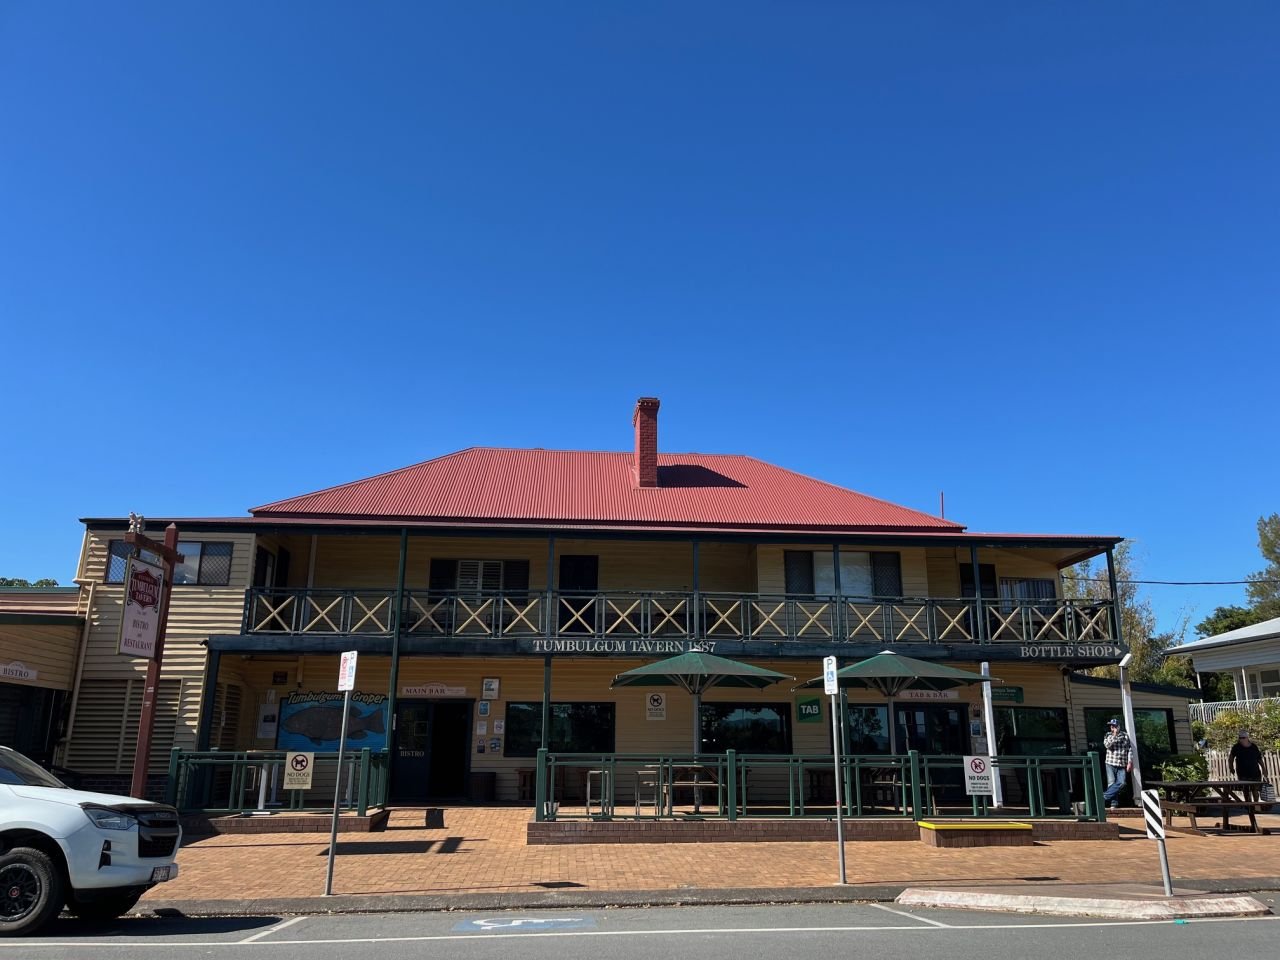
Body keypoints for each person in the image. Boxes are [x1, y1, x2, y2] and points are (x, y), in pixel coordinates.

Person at [1102, 717, 1132, 809]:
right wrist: (1114, 735)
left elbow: (1129, 749)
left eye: (1114, 726)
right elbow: (1107, 745)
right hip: (1110, 763)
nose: (1112, 728)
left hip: (1122, 763)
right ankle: (1113, 804)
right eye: (1111, 726)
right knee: (1111, 783)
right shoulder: (1108, 735)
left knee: (1122, 783)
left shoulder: (1125, 736)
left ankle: (1103, 797)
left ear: (1119, 726)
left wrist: (1130, 762)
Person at [1229, 729, 1264, 799]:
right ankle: (1249, 807)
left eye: (1243, 738)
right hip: (1242, 773)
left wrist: (1264, 769)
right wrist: (1231, 767)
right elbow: (1231, 758)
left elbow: (1259, 759)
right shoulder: (1236, 747)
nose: (1241, 739)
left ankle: (1256, 806)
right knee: (1246, 790)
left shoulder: (1254, 747)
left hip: (1255, 772)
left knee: (1255, 790)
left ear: (1247, 738)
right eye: (1240, 738)